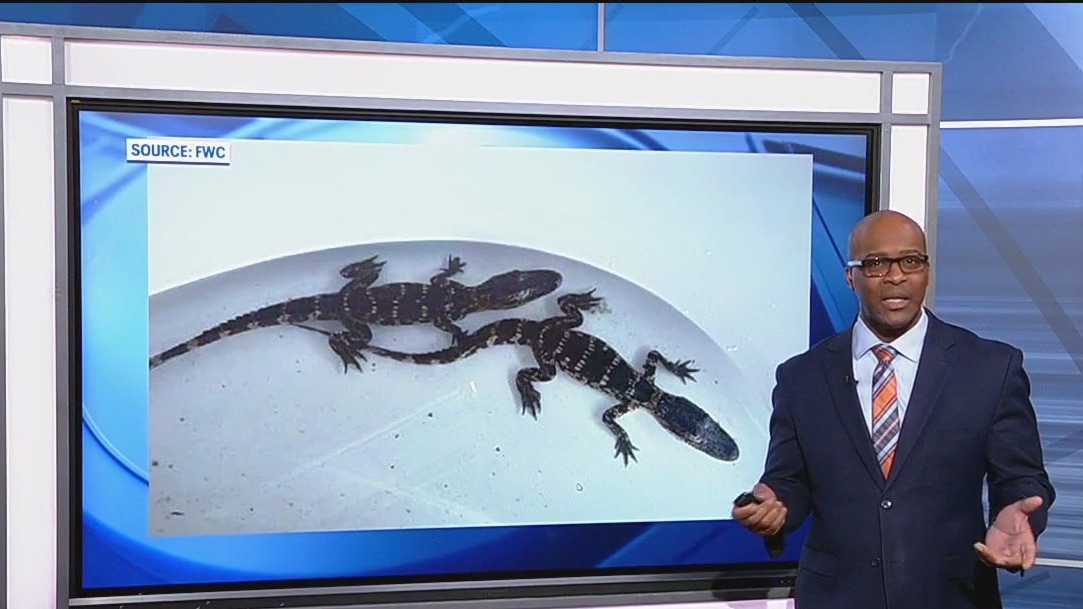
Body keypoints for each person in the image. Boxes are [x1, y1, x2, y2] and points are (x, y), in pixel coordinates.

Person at [732, 210, 1056, 609]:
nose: (896, 276)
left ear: (927, 270)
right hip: (837, 598)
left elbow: (1021, 477)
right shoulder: (802, 377)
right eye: (876, 264)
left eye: (911, 261)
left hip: (951, 596)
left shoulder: (990, 367)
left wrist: (1018, 515)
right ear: (850, 277)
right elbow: (789, 480)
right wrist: (774, 506)